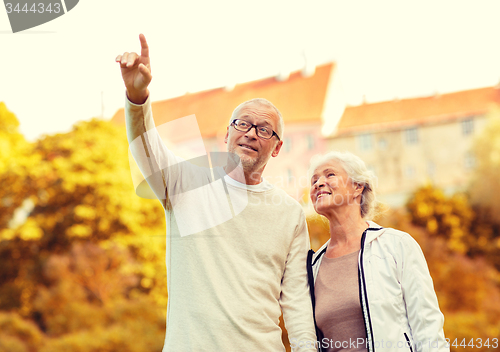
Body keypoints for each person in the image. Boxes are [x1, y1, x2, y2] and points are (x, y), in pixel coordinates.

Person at [116, 34, 317, 352]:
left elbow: (296, 299)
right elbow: (146, 147)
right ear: (227, 134)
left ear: (277, 148)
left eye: (264, 129)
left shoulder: (289, 214)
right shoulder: (185, 184)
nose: (250, 133)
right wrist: (137, 96)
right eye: (242, 124)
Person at [306, 151, 448, 352]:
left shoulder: (396, 245)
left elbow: (428, 327)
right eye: (314, 180)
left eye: (330, 175)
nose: (319, 183)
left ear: (357, 187)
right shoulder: (312, 267)